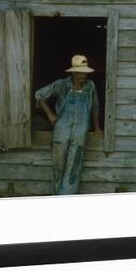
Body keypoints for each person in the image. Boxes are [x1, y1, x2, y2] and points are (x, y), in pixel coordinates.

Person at [35, 55, 102, 195]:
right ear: (73, 72)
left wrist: (96, 127)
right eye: (81, 72)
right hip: (61, 132)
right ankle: (59, 196)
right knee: (59, 166)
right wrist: (50, 115)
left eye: (85, 72)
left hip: (79, 133)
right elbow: (39, 95)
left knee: (73, 168)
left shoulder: (90, 86)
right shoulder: (61, 85)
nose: (84, 75)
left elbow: (95, 106)